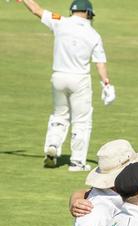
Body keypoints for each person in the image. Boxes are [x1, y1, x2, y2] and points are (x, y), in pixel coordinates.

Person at [20, 0, 115, 171]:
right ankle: (77, 162)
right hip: (80, 79)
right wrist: (106, 84)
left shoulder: (59, 21)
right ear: (87, 13)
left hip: (58, 76)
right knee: (81, 120)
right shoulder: (93, 34)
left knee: (59, 115)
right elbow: (100, 63)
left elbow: (36, 9)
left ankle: (53, 146)